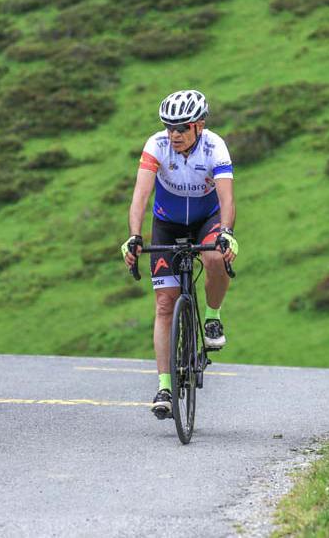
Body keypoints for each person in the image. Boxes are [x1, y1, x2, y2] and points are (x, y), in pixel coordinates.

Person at [121, 90, 238, 419]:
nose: (175, 134)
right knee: (164, 303)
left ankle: (212, 319)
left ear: (199, 126)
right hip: (167, 225)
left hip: (207, 220)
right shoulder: (155, 145)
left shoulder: (215, 146)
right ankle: (164, 386)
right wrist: (133, 236)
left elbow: (227, 199)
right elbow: (140, 198)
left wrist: (227, 234)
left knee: (215, 257)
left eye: (182, 127)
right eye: (169, 127)